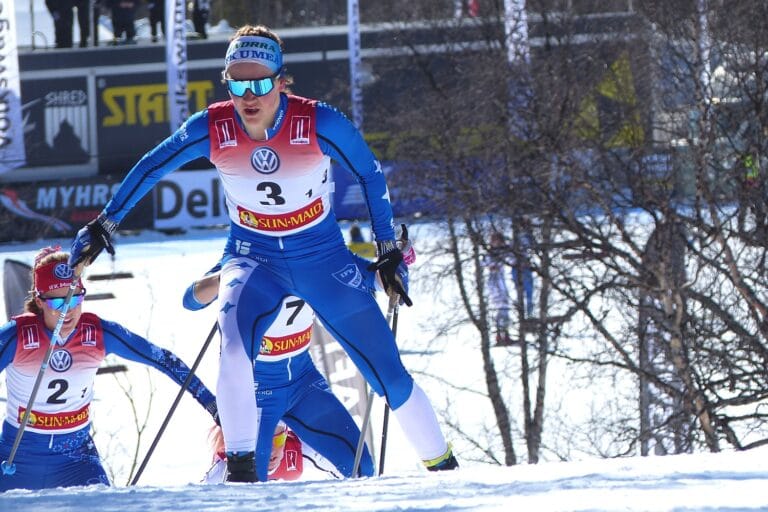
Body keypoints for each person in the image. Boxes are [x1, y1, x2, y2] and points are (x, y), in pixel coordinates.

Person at [68, 23, 458, 482]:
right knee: (232, 349)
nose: (247, 96)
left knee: (387, 373)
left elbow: (371, 176)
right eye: (236, 84)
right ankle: (241, 471)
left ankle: (448, 474)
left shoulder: (318, 122)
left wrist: (388, 251)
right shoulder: (214, 126)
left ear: (280, 81)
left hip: (321, 257)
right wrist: (105, 224)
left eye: (258, 84)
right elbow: (154, 165)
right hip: (253, 258)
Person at [0, 247, 219, 491]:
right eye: (57, 301)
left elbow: (163, 359)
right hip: (18, 458)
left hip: (76, 460)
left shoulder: (97, 333)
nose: (67, 310)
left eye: (75, 298)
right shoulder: (17, 336)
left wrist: (212, 404)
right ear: (39, 301)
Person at [183, 258, 376, 480]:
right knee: (249, 479)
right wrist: (225, 278)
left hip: (304, 385)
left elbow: (370, 276)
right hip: (255, 396)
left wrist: (391, 269)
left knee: (362, 468)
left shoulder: (312, 248)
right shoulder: (244, 252)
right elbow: (190, 300)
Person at [484, 232, 514, 346]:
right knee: (501, 309)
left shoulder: (503, 252)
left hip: (501, 281)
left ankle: (504, 334)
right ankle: (500, 335)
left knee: (504, 309)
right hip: (495, 283)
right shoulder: (490, 253)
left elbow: (511, 258)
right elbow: (486, 263)